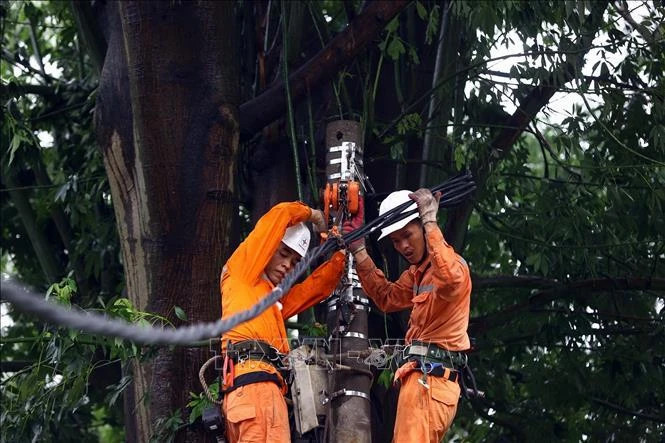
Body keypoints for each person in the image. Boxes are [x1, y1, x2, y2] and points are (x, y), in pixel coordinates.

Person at [344, 189, 471, 442]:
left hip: (431, 382)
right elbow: (386, 298)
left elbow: (449, 279)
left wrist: (430, 221)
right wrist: (359, 251)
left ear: (423, 229)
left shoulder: (451, 267)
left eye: (407, 235)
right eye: (394, 241)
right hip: (421, 381)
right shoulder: (417, 274)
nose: (403, 246)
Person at [220, 201, 345, 442]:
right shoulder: (243, 271)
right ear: (269, 248)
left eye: (296, 261)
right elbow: (281, 214)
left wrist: (340, 254)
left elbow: (314, 289)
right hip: (259, 390)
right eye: (284, 254)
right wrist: (313, 215)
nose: (288, 265)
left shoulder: (268, 300)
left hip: (253, 390)